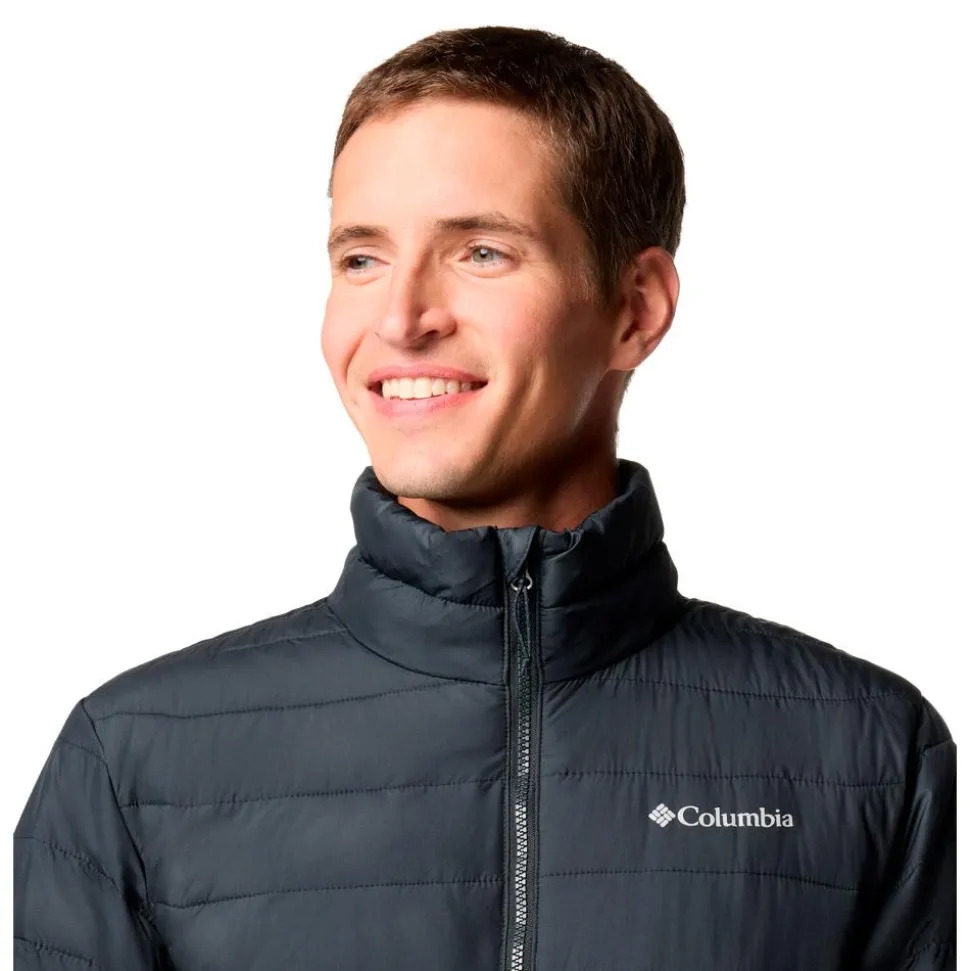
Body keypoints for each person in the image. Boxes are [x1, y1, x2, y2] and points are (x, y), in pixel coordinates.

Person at [13, 24, 955, 971]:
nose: (400, 319)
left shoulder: (867, 755)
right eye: (361, 258)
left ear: (636, 308)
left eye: (482, 252)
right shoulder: (134, 762)